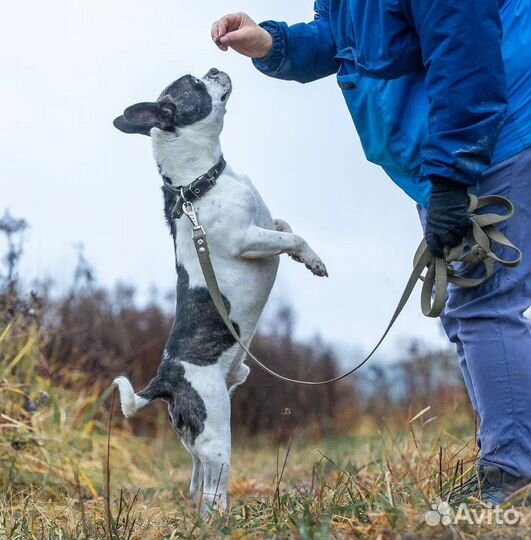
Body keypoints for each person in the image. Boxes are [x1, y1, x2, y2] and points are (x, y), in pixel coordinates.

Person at [211, 1, 531, 505]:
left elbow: (464, 50)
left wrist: (452, 176)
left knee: (484, 304)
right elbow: (345, 34)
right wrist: (273, 44)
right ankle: (506, 458)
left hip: (494, 133)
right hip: (447, 150)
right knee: (467, 308)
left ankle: (513, 475)